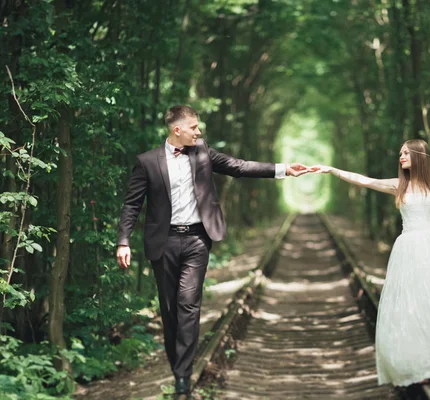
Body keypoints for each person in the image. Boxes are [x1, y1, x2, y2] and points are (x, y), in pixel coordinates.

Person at [116, 105, 309, 395]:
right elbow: (132, 204)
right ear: (176, 129)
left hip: (197, 239)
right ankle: (177, 364)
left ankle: (183, 375)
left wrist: (283, 169)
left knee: (188, 304)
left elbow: (239, 167)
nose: (199, 131)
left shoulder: (203, 152)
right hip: (163, 243)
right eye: (194, 127)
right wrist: (123, 241)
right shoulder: (147, 162)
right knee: (169, 311)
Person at [312, 139, 430, 387]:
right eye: (400, 153)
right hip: (408, 251)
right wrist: (331, 170)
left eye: (405, 152)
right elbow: (363, 180)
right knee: (411, 307)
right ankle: (417, 363)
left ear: (419, 156)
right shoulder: (398, 186)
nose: (400, 156)